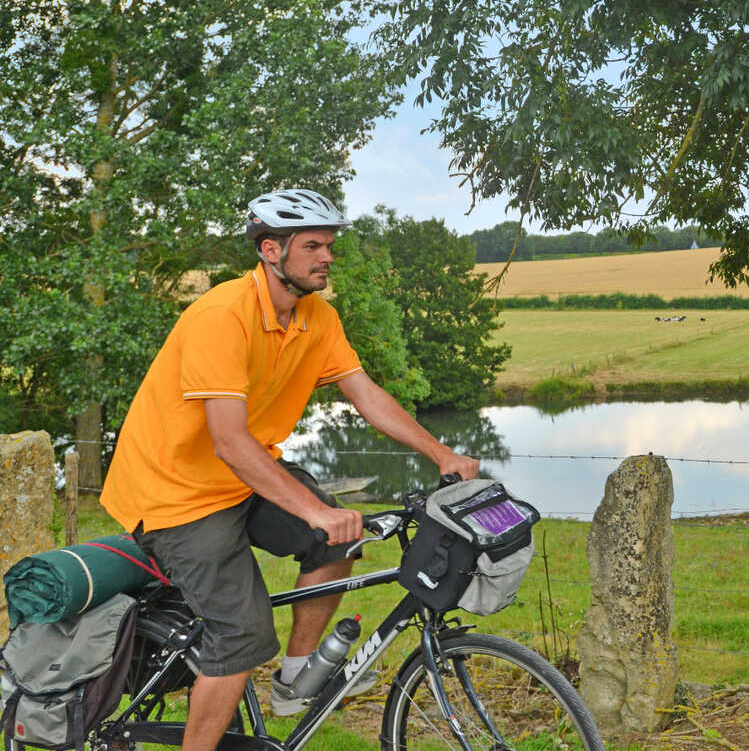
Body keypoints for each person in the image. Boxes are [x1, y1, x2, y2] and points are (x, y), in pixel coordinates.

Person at [102, 188, 479, 750]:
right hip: (174, 496)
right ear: (271, 251)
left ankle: (295, 678)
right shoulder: (221, 316)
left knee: (337, 542)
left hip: (242, 480)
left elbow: (365, 393)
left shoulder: (316, 316)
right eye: (312, 245)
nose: (326, 256)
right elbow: (229, 441)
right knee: (241, 637)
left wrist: (441, 453)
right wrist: (313, 509)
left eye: (329, 245)